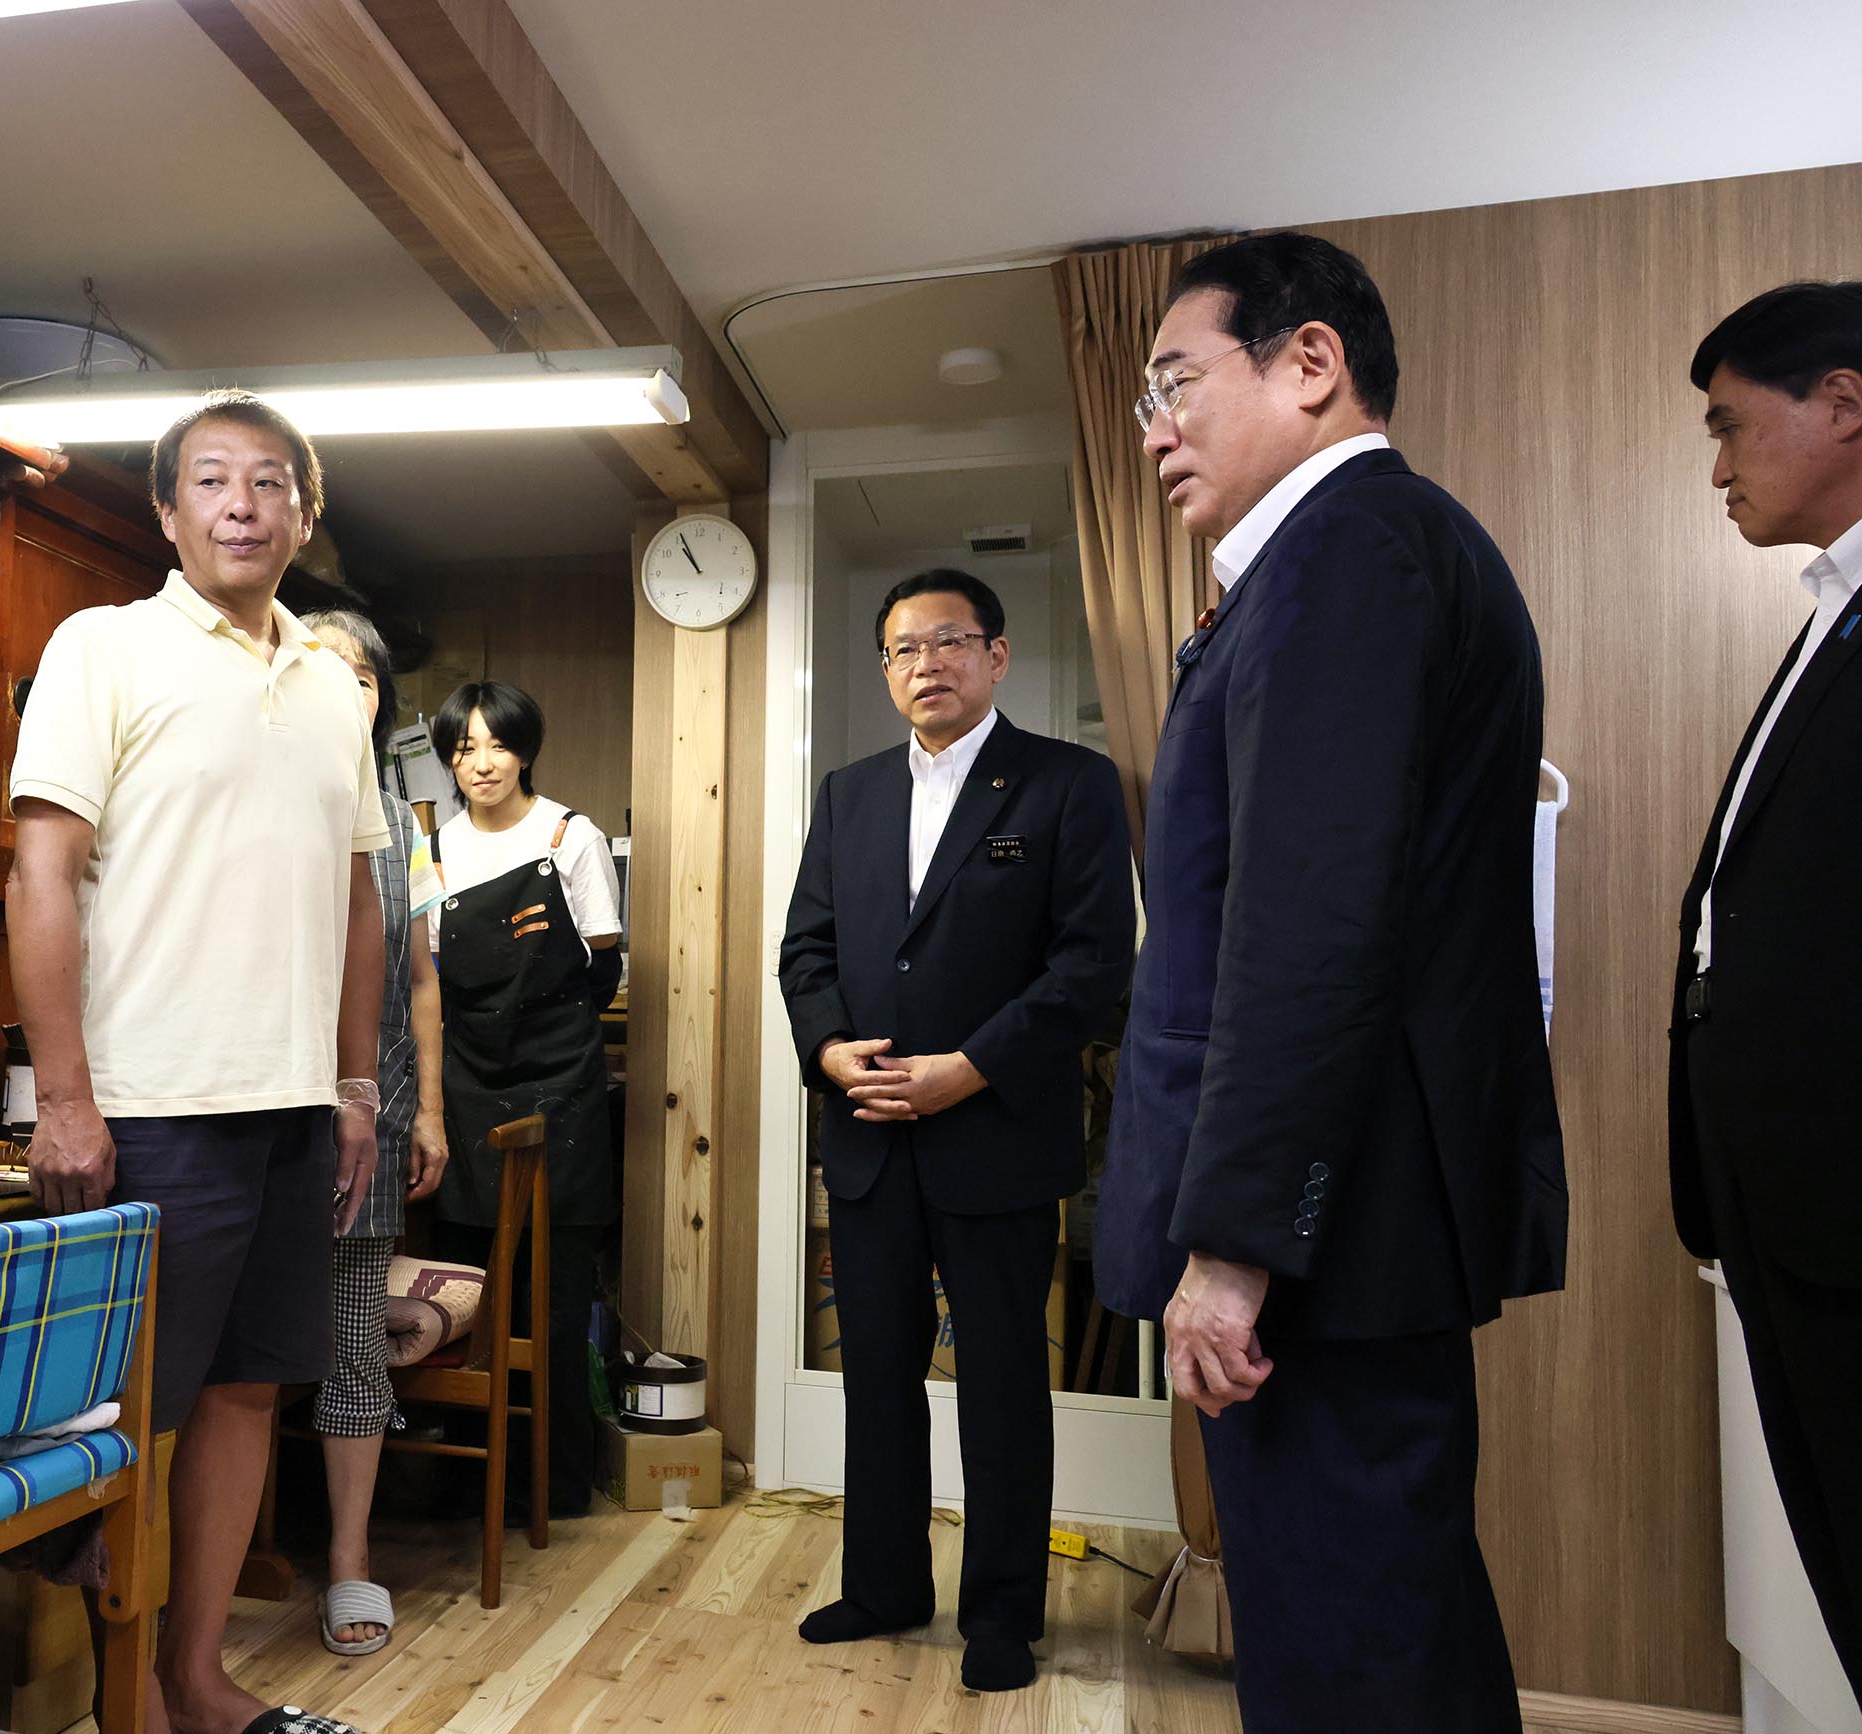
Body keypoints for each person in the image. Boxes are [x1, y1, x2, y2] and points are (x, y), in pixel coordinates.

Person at [1093, 232, 1566, 1731]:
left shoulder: (1349, 549)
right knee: (1378, 1618)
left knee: (1354, 1648)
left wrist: (1232, 1245)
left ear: (1310, 364)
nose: (1156, 428)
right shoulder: (1350, 556)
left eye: (1177, 382)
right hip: (1339, 1225)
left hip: (1319, 1240)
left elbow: (1308, 927)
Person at [5, 389, 383, 1734]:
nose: (241, 502)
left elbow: (358, 902)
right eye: (211, 480)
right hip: (155, 1104)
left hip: (291, 1107)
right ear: (166, 512)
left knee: (242, 1394)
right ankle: (120, 1701)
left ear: (303, 514)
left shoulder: (334, 683)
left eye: (269, 481)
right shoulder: (101, 646)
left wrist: (354, 1086)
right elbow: (41, 869)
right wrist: (65, 1096)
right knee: (128, 1418)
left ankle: (199, 1675)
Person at [777, 569, 1134, 1694]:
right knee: (874, 1374)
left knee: (997, 1383)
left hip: (996, 1135)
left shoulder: (1067, 785)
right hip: (870, 1135)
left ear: (996, 656)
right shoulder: (847, 794)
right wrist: (830, 1051)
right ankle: (882, 1585)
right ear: (883, 672)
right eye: (900, 649)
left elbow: (1091, 967)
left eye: (947, 642)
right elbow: (807, 952)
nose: (924, 664)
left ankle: (1001, 1615)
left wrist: (967, 1070)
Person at [1673, 281, 1862, 1699]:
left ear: (1845, 403)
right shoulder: (1829, 614)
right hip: (1794, 1218)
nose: (1720, 464)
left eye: (1734, 427)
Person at [426, 679, 620, 1519]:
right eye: (462, 748)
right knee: (476, 1273)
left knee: (559, 1281)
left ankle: (558, 1482)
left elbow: (602, 964)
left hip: (562, 1078)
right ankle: (475, 1480)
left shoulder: (570, 836)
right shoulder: (433, 846)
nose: (480, 762)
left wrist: (549, 1035)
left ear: (526, 749)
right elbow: (425, 980)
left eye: (495, 744)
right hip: (466, 1075)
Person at [297, 608, 449, 1658]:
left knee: (355, 1342)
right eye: (312, 668)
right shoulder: (253, 799)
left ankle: (349, 1561)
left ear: (380, 699)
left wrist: (429, 1106)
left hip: (375, 1111)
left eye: (357, 675)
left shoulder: (410, 823)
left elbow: (421, 980)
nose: (337, 688)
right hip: (257, 1115)